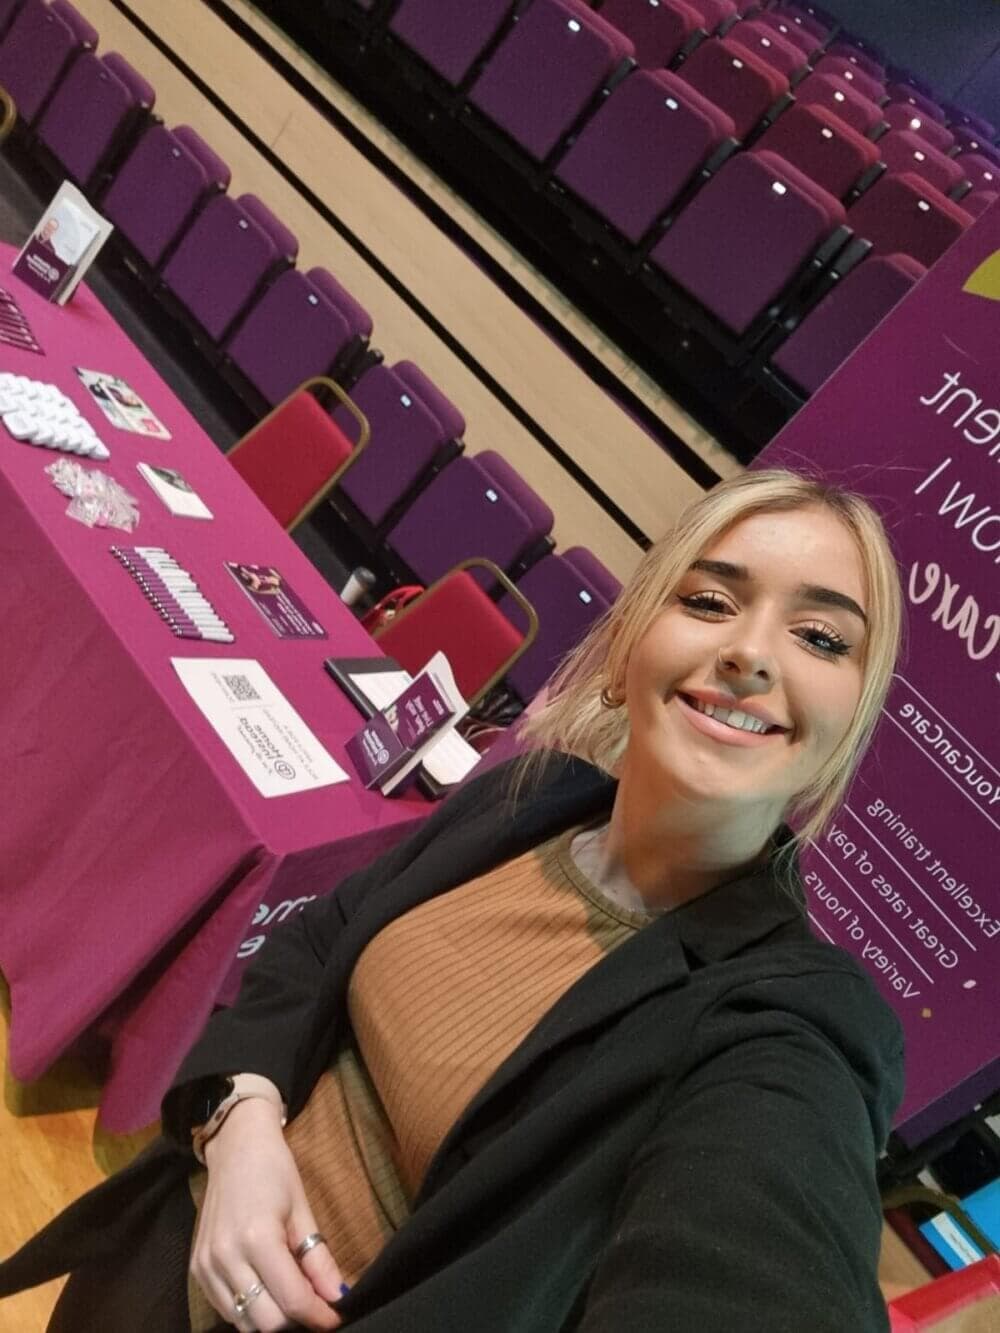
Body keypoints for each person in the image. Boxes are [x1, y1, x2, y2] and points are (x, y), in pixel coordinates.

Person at [0, 469, 906, 1332]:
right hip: (152, 1254)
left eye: (822, 638)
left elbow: (756, 1258)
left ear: (844, 733)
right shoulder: (531, 798)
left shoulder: (788, 1027)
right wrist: (238, 1118)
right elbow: (321, 937)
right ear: (627, 651)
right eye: (709, 601)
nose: (749, 651)